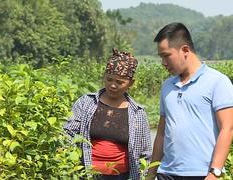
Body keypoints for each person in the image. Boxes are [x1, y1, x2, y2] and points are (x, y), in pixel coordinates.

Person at [148, 22, 233, 180]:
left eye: (166, 55)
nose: (163, 63)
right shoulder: (167, 86)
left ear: (185, 50)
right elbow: (160, 133)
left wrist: (215, 172)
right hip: (166, 173)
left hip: (201, 174)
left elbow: (227, 129)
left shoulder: (217, 82)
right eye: (161, 57)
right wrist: (152, 172)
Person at [64, 48, 152, 180]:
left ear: (131, 83)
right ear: (104, 76)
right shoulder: (86, 103)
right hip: (87, 174)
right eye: (109, 79)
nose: (113, 85)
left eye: (120, 82)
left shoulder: (137, 113)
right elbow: (68, 133)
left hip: (123, 176)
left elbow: (145, 152)